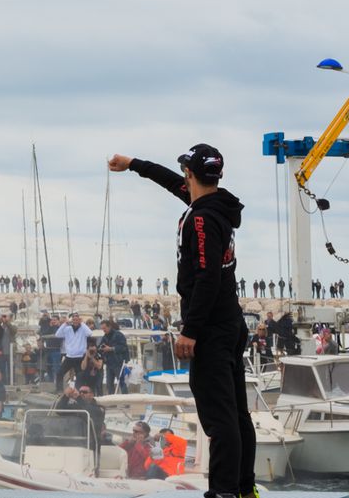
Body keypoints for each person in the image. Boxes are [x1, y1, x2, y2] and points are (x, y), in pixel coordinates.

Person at [110, 145, 255, 498]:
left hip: (211, 329)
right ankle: (243, 488)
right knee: (236, 415)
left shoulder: (203, 218)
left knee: (220, 420)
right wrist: (133, 165)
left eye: (185, 173)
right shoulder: (216, 202)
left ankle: (224, 492)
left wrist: (190, 331)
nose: (183, 180)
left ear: (192, 173)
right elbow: (171, 182)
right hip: (229, 322)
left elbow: (208, 277)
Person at [55, 313, 89, 389]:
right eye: (74, 319)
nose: (75, 321)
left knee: (79, 376)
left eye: (77, 319)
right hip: (69, 357)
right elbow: (57, 334)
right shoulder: (67, 329)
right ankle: (59, 390)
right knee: (59, 373)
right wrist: (65, 323)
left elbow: (89, 333)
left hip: (80, 357)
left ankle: (78, 391)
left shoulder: (83, 329)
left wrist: (82, 323)